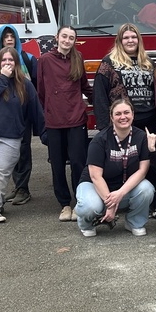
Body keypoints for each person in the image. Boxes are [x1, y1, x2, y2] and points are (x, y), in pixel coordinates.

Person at [0, 46, 47, 223]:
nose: (7, 63)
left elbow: (36, 111)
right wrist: (3, 77)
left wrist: (46, 135)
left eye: (10, 60)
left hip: (11, 137)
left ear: (16, 63)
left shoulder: (25, 84)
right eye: (4, 60)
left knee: (1, 172)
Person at [75, 98, 154, 237]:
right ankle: (85, 222)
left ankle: (134, 222)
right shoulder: (100, 140)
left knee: (146, 189)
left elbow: (143, 171)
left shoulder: (141, 137)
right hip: (94, 184)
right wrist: (111, 205)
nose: (123, 117)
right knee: (90, 207)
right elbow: (95, 176)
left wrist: (120, 193)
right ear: (111, 117)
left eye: (126, 112)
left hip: (123, 187)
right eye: (118, 114)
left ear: (133, 115)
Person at [37, 26, 93, 221]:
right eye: (64, 37)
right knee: (57, 164)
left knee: (78, 162)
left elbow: (85, 86)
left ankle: (79, 202)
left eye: (71, 38)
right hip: (54, 121)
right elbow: (41, 91)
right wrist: (51, 108)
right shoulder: (44, 60)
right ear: (57, 38)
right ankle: (64, 205)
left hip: (76, 118)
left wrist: (105, 103)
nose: (67, 41)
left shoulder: (78, 59)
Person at [0, 24, 38, 206]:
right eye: (5, 36)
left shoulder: (29, 59)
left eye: (12, 36)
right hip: (4, 116)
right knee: (7, 152)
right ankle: (17, 186)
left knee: (23, 150)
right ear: (0, 40)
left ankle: (23, 189)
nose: (9, 39)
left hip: (23, 114)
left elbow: (37, 87)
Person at [93, 23, 156, 132]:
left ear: (139, 40)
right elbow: (99, 96)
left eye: (133, 37)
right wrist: (104, 127)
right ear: (120, 41)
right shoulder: (109, 63)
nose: (130, 41)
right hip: (122, 123)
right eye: (126, 38)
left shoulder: (148, 62)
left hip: (149, 123)